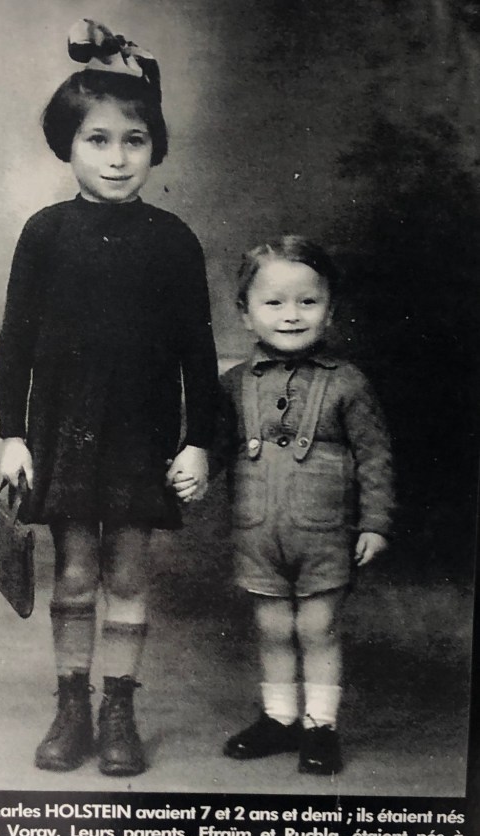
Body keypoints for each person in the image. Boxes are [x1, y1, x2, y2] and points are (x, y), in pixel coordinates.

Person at [0, 20, 217, 777]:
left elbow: (198, 353)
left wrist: (196, 440)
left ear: (155, 147)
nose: (117, 158)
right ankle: (72, 706)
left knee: (127, 576)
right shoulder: (45, 233)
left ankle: (119, 708)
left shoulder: (173, 240)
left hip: (138, 436)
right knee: (74, 575)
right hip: (64, 430)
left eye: (134, 140)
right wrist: (13, 434)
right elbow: (15, 343)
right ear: (67, 145)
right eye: (98, 140)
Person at [175, 236, 393, 774]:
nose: (291, 315)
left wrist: (375, 522)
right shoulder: (231, 385)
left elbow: (375, 457)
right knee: (272, 629)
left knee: (318, 628)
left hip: (325, 537)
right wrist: (193, 473)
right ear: (245, 313)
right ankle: (279, 719)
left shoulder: (348, 384)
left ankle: (321, 726)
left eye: (307, 302)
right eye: (273, 303)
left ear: (330, 310)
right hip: (257, 535)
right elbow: (214, 448)